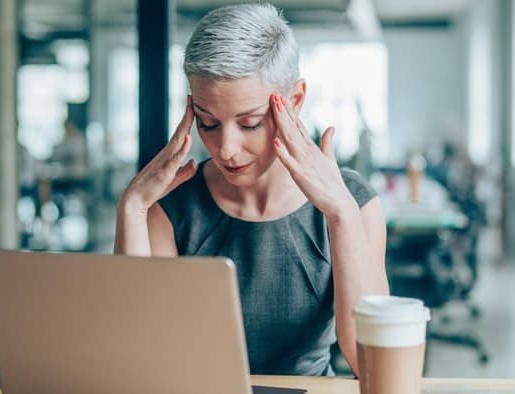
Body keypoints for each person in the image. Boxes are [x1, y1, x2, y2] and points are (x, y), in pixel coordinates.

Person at [114, 3, 388, 377]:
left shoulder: (354, 203)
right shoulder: (171, 209)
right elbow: (139, 362)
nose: (226, 148)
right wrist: (131, 208)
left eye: (251, 123)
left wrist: (341, 215)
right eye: (208, 123)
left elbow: (372, 365)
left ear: (293, 102)